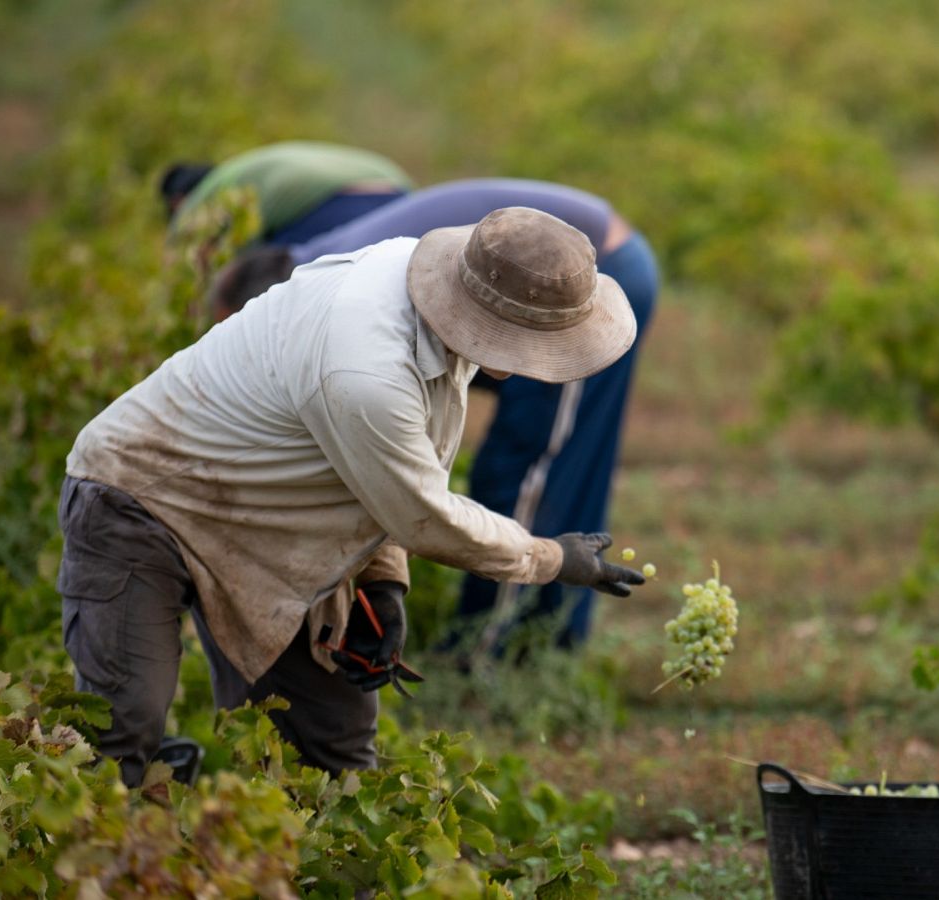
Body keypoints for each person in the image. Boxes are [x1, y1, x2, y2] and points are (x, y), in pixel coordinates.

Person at [57, 207, 646, 786]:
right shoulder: (367, 371)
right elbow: (426, 515)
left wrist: (382, 584)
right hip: (141, 497)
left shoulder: (438, 299)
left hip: (277, 520)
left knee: (331, 750)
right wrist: (550, 557)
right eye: (528, 347)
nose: (527, 369)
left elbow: (396, 475)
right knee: (121, 737)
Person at [210, 179, 659, 656]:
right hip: (558, 271)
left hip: (580, 279)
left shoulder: (338, 312)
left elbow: (414, 501)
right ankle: (546, 637)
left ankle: (489, 653)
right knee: (554, 463)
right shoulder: (320, 273)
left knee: (530, 469)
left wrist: (547, 558)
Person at [159, 140, 414, 245]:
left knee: (269, 273)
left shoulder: (202, 198)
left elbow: (181, 244)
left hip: (344, 203)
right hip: (400, 194)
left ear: (177, 201)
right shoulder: (245, 167)